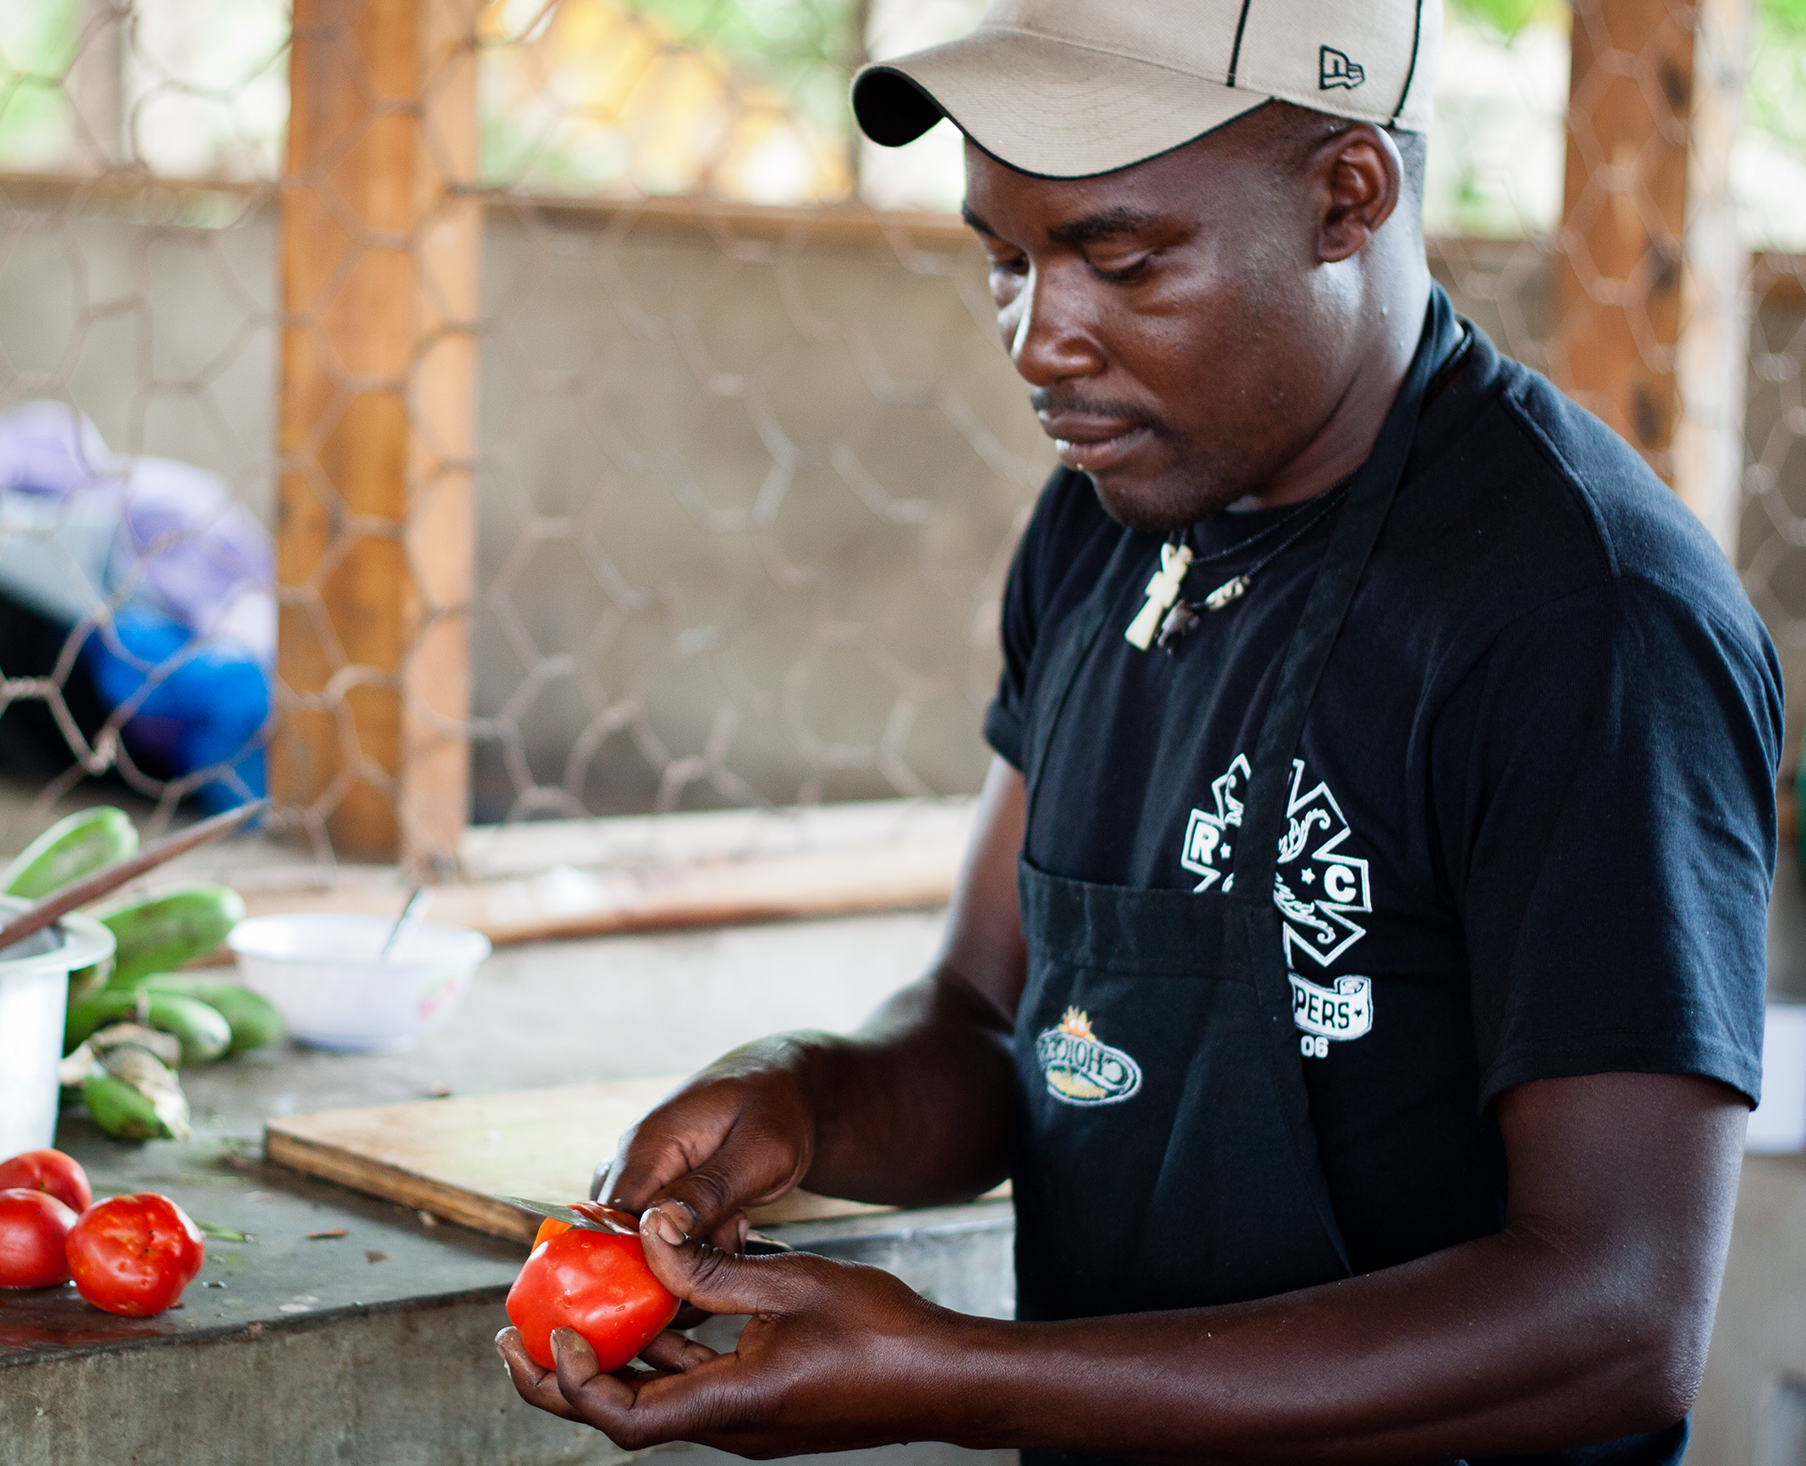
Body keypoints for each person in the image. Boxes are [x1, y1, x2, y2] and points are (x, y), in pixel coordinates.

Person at [496, 4, 1784, 1462]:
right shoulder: (1109, 523)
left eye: (1119, 259)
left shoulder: (1585, 622)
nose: (1039, 341)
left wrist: (962, 1376)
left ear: (1345, 197)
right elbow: (995, 1022)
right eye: (1002, 256)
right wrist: (807, 1096)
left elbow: (1611, 1317)